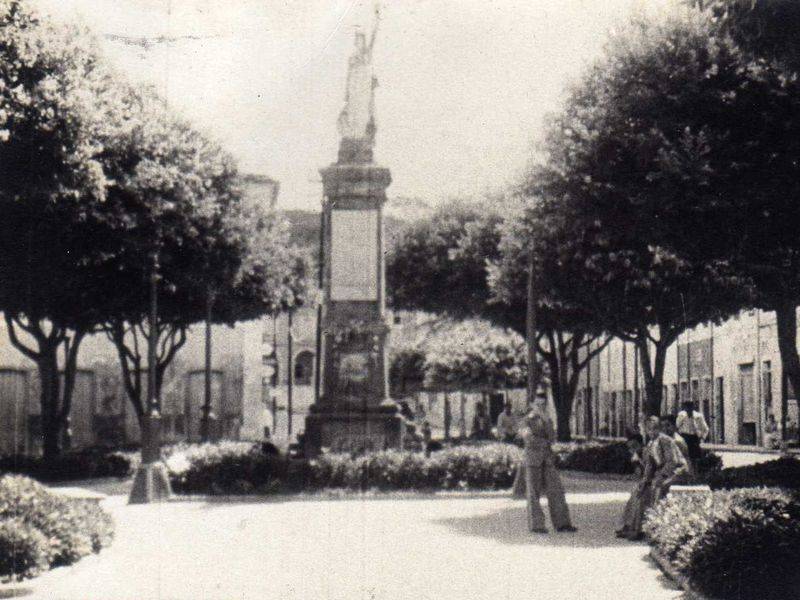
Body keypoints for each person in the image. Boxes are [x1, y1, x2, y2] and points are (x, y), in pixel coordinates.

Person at [520, 393, 576, 534]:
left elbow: (552, 438)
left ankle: (562, 523)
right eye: (538, 404)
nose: (541, 407)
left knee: (556, 491)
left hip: (548, 459)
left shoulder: (547, 420)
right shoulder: (525, 421)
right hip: (533, 460)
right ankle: (537, 525)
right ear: (533, 405)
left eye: (543, 404)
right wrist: (545, 442)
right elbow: (529, 440)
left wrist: (546, 423)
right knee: (533, 493)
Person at [676, 401, 709, 466]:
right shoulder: (681, 415)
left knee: (695, 458)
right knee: (683, 456)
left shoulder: (698, 416)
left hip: (694, 438)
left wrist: (702, 438)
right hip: (684, 437)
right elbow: (677, 426)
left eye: (690, 407)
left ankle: (694, 472)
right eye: (687, 407)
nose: (688, 409)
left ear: (693, 407)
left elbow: (705, 428)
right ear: (684, 408)